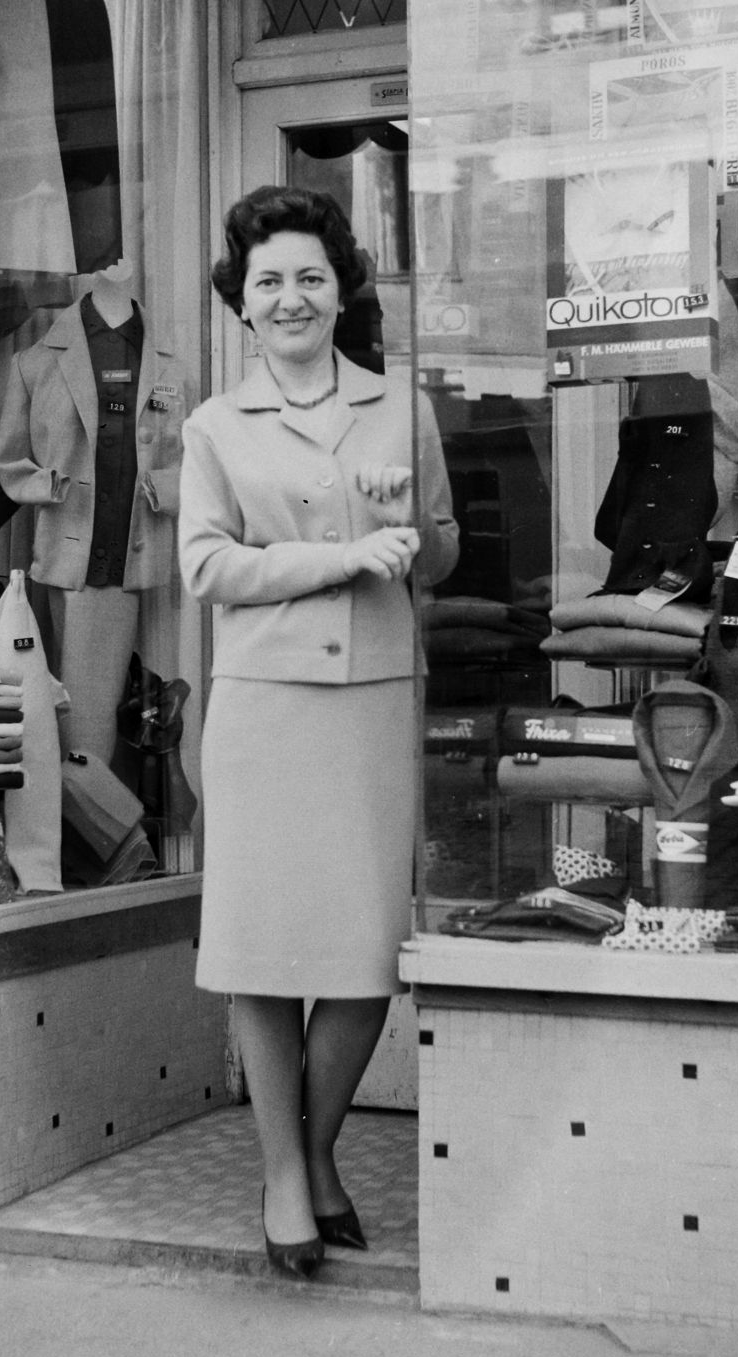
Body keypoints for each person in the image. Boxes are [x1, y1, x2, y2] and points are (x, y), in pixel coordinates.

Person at [180, 185, 459, 1279]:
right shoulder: (212, 426)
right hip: (261, 708)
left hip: (374, 701)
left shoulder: (401, 407)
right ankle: (291, 1180)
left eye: (308, 276)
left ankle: (315, 1149)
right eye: (267, 282)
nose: (289, 297)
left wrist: (408, 526)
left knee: (358, 956)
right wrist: (341, 556)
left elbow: (437, 559)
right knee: (260, 948)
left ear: (342, 291)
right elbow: (205, 567)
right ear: (240, 305)